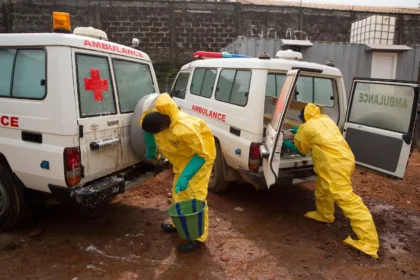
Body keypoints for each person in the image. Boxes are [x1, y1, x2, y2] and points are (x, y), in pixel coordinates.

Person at [283, 103, 379, 258]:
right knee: (322, 188)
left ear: (303, 117)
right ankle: (324, 214)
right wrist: (298, 132)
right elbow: (315, 134)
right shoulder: (325, 120)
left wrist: (286, 143)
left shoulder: (307, 128)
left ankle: (369, 242)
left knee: (348, 201)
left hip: (334, 165)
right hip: (343, 159)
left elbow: (302, 150)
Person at [139, 93, 216, 253]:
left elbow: (203, 154)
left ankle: (198, 238)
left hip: (199, 159)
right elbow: (147, 130)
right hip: (182, 158)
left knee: (195, 197)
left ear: (163, 127)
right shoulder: (152, 115)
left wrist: (187, 176)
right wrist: (151, 149)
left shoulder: (186, 128)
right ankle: (179, 224)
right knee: (178, 192)